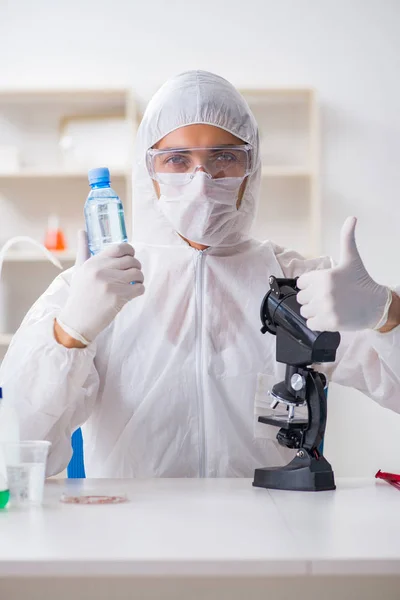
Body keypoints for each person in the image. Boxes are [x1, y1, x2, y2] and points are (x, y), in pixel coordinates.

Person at [1, 70, 399, 478]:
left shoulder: (299, 283)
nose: (201, 180)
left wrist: (388, 314)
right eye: (177, 159)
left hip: (269, 531)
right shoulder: (95, 286)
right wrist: (68, 333)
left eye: (224, 156)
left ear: (252, 165)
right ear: (149, 171)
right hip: (130, 534)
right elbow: (15, 453)